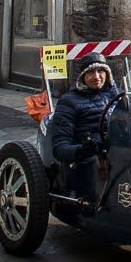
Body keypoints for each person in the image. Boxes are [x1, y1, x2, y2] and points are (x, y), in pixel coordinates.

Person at [47, 60, 117, 200]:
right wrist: (82, 150)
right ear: (82, 77)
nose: (96, 77)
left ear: (107, 74)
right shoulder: (69, 101)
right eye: (90, 72)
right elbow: (59, 147)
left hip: (119, 148)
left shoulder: (118, 94)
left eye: (100, 71)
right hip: (88, 159)